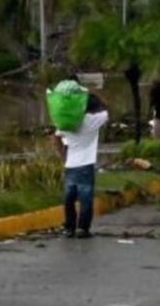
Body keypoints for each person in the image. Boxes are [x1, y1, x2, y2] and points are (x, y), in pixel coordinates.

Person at [54, 91, 108, 238]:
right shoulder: (93, 120)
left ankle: (69, 227)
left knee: (69, 198)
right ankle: (82, 228)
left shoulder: (69, 120)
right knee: (85, 197)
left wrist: (63, 156)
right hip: (86, 163)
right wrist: (93, 95)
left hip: (70, 164)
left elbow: (56, 137)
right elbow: (105, 109)